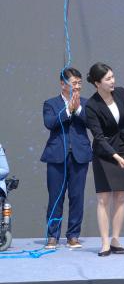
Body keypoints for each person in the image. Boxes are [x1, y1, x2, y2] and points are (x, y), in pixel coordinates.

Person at [84, 63, 124, 256]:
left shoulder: (122, 93)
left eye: (113, 77)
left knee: (121, 197)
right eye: (108, 79)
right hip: (105, 153)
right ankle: (105, 242)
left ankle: (115, 239)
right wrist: (115, 156)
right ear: (97, 83)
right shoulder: (91, 105)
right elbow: (98, 137)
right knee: (104, 198)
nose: (113, 81)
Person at [41, 67, 92, 249]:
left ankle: (73, 236)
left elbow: (92, 123)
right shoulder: (50, 103)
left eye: (79, 83)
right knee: (56, 197)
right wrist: (68, 110)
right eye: (74, 83)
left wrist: (77, 109)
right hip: (57, 156)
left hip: (79, 156)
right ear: (63, 84)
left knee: (77, 197)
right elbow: (50, 123)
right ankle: (52, 236)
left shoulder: (86, 103)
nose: (77, 86)